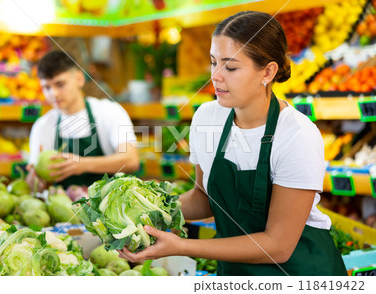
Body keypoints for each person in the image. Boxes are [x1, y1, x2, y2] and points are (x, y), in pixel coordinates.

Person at [119, 11, 347, 276]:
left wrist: (182, 246)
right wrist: (145, 210)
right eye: (213, 62)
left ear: (268, 71)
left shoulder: (297, 135)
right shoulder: (207, 117)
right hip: (237, 275)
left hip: (299, 271)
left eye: (230, 67)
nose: (215, 76)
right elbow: (204, 198)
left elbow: (278, 246)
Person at [26, 51, 139, 190]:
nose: (53, 94)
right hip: (64, 208)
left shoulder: (110, 112)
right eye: (46, 87)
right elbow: (33, 187)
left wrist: (82, 164)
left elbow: (131, 160)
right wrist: (36, 176)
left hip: (107, 206)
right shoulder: (42, 126)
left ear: (79, 79)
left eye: (60, 84)